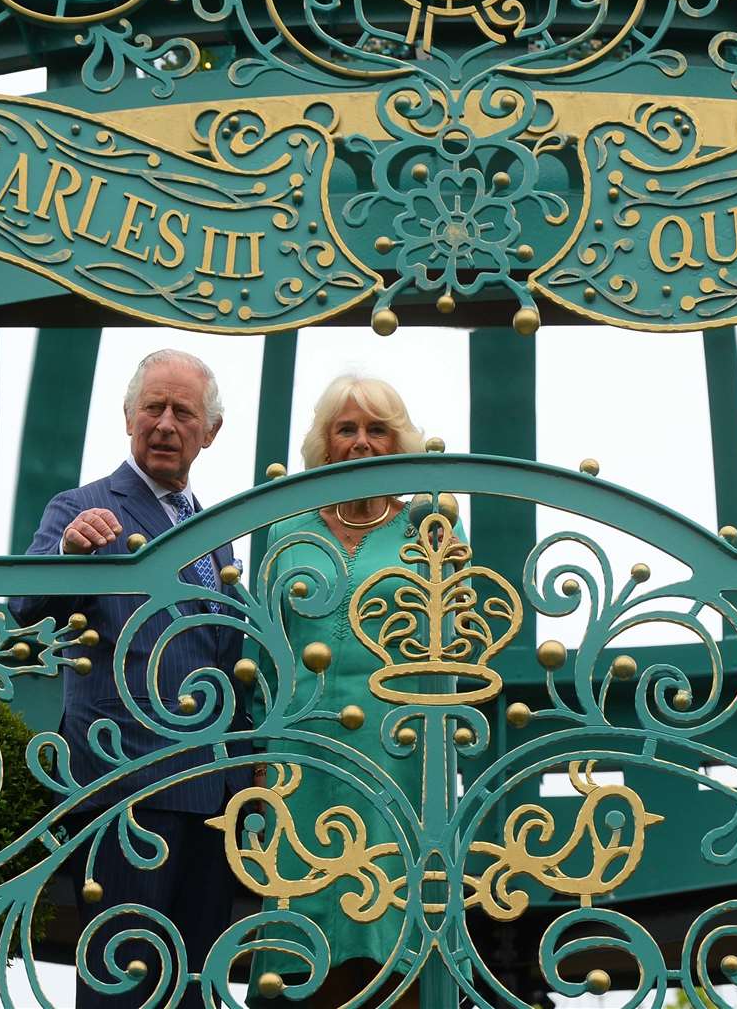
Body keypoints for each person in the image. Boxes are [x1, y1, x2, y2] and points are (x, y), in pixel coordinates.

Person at [11, 348, 248, 1009]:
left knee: (196, 987)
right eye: (154, 408)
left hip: (210, 791)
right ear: (128, 417)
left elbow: (231, 661)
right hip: (125, 780)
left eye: (183, 412)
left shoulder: (215, 534)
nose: (166, 424)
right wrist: (68, 553)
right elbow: (25, 606)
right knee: (123, 981)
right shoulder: (82, 507)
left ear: (210, 431)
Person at [247, 375, 438, 1009]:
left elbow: (461, 653)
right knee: (302, 912)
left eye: (376, 429)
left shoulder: (431, 531)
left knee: (394, 918)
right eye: (346, 429)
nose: (361, 442)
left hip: (400, 752)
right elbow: (260, 655)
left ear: (398, 442)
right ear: (325, 444)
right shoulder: (286, 530)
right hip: (302, 751)